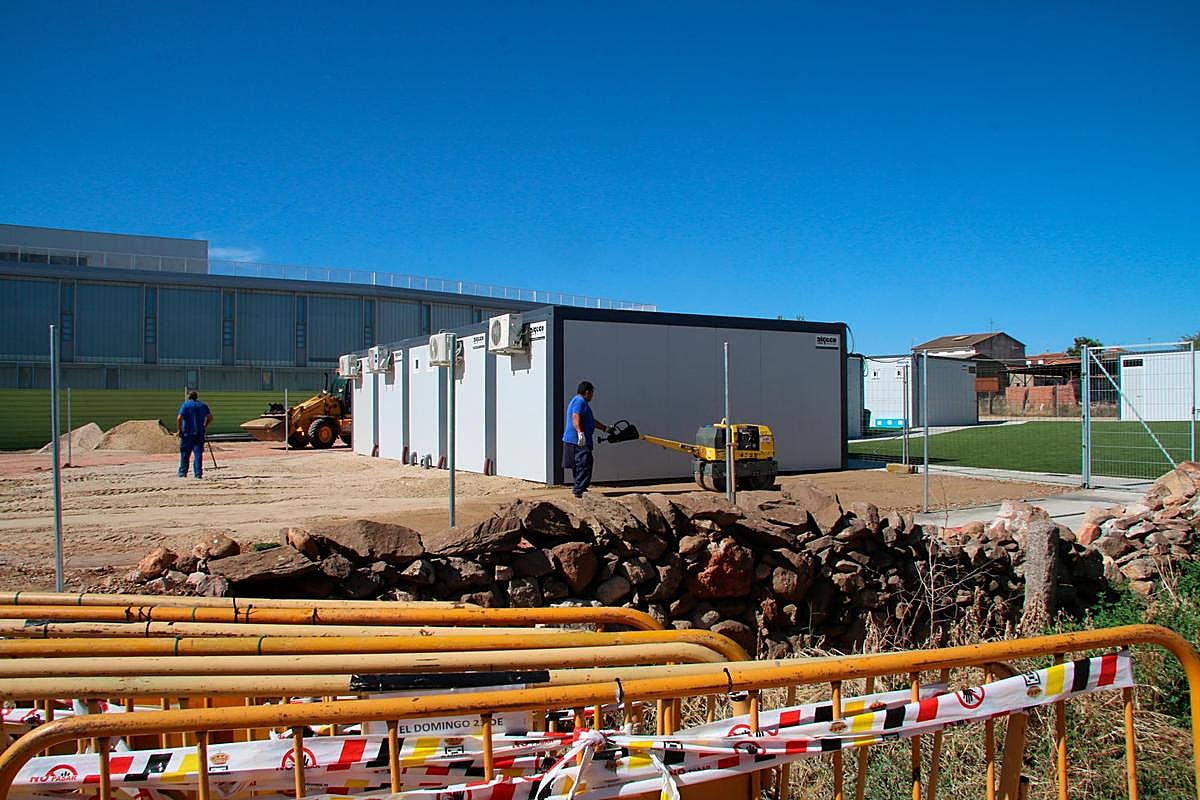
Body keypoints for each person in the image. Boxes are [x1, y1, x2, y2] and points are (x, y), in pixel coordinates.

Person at [561, 381, 607, 498]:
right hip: (578, 441)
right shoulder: (579, 401)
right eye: (591, 393)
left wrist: (605, 428)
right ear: (587, 392)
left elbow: (590, 421)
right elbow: (576, 416)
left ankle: (580, 488)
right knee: (584, 464)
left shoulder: (580, 403)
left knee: (579, 465)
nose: (592, 396)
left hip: (574, 440)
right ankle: (579, 491)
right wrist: (580, 433)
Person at [176, 390, 213, 479]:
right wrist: (205, 425)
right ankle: (198, 473)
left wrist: (179, 430)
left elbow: (179, 418)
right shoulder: (203, 405)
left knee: (185, 453)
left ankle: (183, 472)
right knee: (198, 454)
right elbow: (210, 417)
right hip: (199, 433)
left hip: (187, 433)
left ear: (188, 397)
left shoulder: (185, 405)